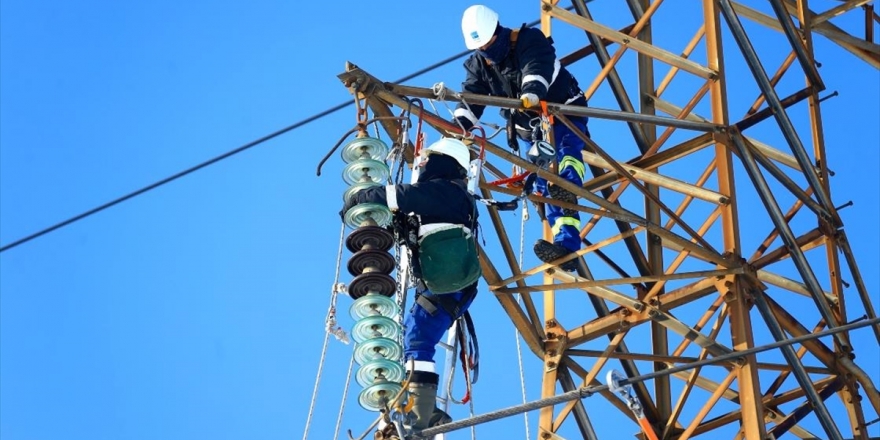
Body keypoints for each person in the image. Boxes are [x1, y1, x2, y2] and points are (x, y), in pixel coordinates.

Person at [342, 138, 480, 435]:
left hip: (445, 286)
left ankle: (421, 414)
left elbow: (400, 196)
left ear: (443, 163)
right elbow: (406, 208)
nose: (422, 165)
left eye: (427, 160)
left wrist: (366, 196)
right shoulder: (445, 197)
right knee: (412, 338)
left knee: (417, 340)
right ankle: (424, 410)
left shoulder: (445, 192)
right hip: (442, 284)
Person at [454, 4, 589, 272]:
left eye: (489, 43)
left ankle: (569, 187)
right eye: (479, 47)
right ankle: (567, 248)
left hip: (561, 113)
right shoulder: (479, 64)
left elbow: (538, 65)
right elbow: (471, 96)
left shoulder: (528, 40)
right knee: (544, 187)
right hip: (529, 128)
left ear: (497, 31)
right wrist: (460, 126)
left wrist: (532, 90)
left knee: (565, 158)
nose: (485, 50)